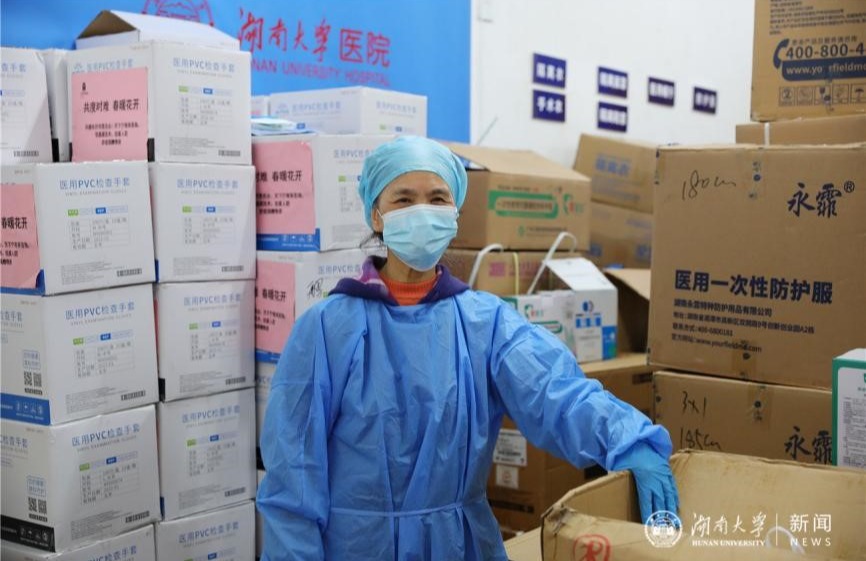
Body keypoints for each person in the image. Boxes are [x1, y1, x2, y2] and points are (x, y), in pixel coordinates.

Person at [257, 136, 678, 560]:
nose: (422, 211)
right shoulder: (327, 328)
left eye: (437, 198)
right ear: (376, 215)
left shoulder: (485, 324)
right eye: (404, 199)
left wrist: (628, 438)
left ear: (454, 214)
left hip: (459, 546)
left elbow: (557, 393)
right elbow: (293, 477)